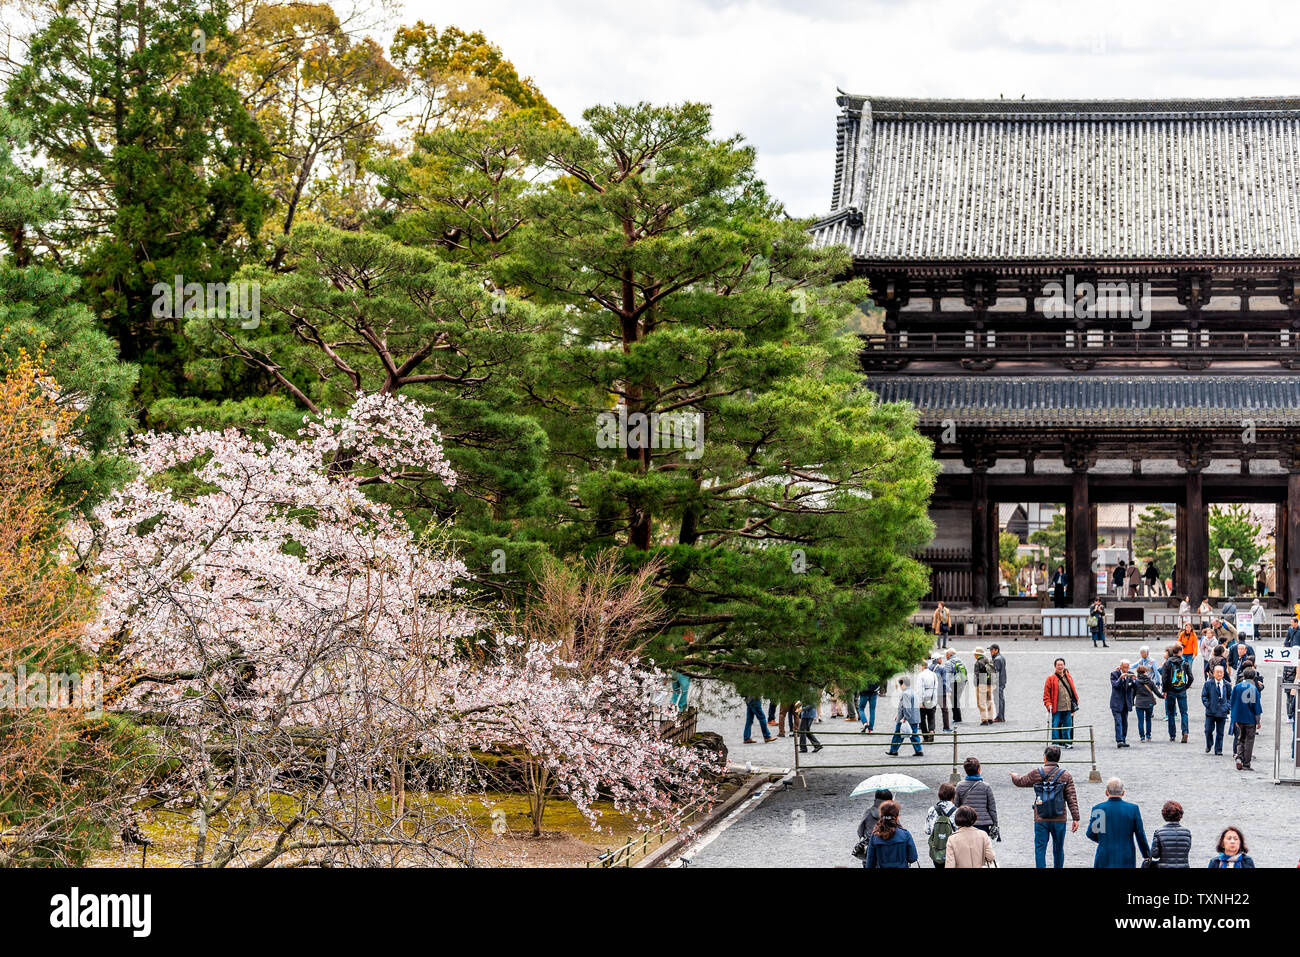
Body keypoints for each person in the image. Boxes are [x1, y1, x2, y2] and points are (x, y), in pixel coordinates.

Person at [1010, 743, 1080, 869]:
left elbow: (1021, 782)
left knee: (1040, 848)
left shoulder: (1037, 773)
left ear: (1045, 758)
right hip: (1059, 817)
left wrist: (1014, 776)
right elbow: (1071, 797)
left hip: (1041, 817)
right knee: (1058, 848)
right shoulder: (1066, 775)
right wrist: (1075, 818)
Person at [1086, 777, 1151, 868]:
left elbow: (1091, 834)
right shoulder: (1132, 809)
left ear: (1106, 792)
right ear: (1123, 792)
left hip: (1105, 853)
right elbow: (1140, 835)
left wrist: (1104, 839)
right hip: (1126, 854)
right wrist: (1146, 855)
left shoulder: (1099, 809)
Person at [863, 800, 918, 869]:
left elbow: (870, 864)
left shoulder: (874, 837)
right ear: (897, 817)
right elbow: (913, 858)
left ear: (881, 816)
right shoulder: (905, 835)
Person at [955, 756, 999, 838]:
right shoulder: (986, 787)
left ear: (965, 770)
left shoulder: (960, 786)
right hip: (983, 824)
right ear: (979, 770)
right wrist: (995, 824)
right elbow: (992, 808)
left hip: (965, 823)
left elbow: (956, 806)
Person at [1230, 668, 1262, 771]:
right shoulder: (1253, 688)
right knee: (1249, 741)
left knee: (1240, 739)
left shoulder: (1237, 687)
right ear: (1253, 677)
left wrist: (1233, 718)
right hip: (1250, 718)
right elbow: (1256, 706)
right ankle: (1246, 763)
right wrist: (1258, 720)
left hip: (1239, 718)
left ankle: (1239, 757)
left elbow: (1232, 703)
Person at [1043, 658, 1079, 748]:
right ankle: (1055, 743)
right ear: (1055, 666)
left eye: (1061, 665)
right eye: (1058, 665)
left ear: (1064, 666)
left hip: (1068, 707)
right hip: (1056, 707)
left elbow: (1073, 691)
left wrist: (1076, 702)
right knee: (1055, 725)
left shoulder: (1068, 677)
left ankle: (1066, 742)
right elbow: (1046, 694)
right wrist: (1048, 704)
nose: (1060, 667)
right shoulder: (1050, 678)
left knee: (1068, 725)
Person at [1161, 643, 1193, 743]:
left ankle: (1172, 735)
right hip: (1181, 690)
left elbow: (1164, 678)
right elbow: (1191, 677)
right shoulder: (1185, 662)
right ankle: (1185, 731)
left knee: (1170, 713)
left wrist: (1164, 690)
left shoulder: (1167, 663)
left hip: (1171, 690)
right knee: (1184, 712)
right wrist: (1185, 687)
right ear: (1180, 652)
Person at [886, 676, 924, 757]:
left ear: (903, 684)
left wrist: (904, 718)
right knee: (913, 735)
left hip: (907, 719)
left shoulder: (906, 693)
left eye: (900, 685)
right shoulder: (913, 691)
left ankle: (893, 750)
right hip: (914, 718)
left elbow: (907, 707)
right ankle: (919, 750)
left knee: (898, 734)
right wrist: (898, 715)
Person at [923, 782, 958, 869]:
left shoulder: (932, 810)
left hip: (937, 849)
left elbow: (927, 830)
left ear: (939, 795)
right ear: (953, 796)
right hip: (952, 849)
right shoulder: (957, 811)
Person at [1148, 801, 1192, 869]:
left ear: (1164, 814)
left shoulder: (1158, 832)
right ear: (1180, 814)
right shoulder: (1187, 833)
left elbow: (1155, 854)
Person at [1202, 664, 1231, 756]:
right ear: (1213, 673)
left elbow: (1230, 697)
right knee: (1208, 730)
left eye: (1221, 672)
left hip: (1222, 711)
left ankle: (1218, 749)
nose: (1219, 674)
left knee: (1220, 732)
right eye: (1217, 672)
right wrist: (1208, 705)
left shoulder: (1226, 685)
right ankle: (1209, 743)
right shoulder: (1208, 684)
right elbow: (1204, 696)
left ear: (1223, 674)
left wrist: (1227, 706)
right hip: (1211, 711)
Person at [1109, 659, 1138, 747]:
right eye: (1124, 667)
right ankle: (1119, 740)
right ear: (1120, 666)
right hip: (1116, 703)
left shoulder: (1130, 674)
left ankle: (1123, 739)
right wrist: (1120, 678)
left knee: (1125, 722)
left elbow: (1136, 687)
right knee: (1118, 721)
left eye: (1127, 667)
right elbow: (1115, 685)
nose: (1125, 669)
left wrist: (1134, 681)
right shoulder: (1114, 674)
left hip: (1126, 703)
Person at [1133, 664, 1163, 742]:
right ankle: (1148, 735)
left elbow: (1133, 694)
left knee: (1140, 721)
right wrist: (1163, 696)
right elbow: (1157, 693)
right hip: (1149, 703)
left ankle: (1142, 737)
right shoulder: (1150, 682)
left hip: (1139, 703)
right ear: (1145, 672)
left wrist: (1132, 702)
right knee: (1148, 720)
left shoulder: (1136, 682)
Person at [916, 660, 939, 744]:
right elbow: (936, 687)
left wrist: (920, 701)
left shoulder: (920, 675)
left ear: (922, 666)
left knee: (922, 719)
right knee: (931, 717)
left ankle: (925, 737)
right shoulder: (933, 674)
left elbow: (920, 690)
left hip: (924, 698)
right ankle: (932, 730)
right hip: (932, 698)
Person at [973, 647, 997, 725]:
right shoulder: (989, 660)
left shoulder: (978, 663)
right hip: (990, 684)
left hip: (982, 685)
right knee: (989, 701)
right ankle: (990, 718)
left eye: (975, 653)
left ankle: (984, 719)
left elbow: (977, 675)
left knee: (981, 702)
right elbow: (994, 672)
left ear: (977, 654)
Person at [945, 649, 966, 723]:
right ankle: (957, 717)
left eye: (946, 654)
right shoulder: (960, 660)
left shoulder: (948, 663)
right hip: (961, 682)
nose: (945, 655)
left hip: (953, 683)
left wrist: (947, 688)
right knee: (956, 699)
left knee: (954, 700)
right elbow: (965, 670)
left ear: (949, 654)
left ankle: (957, 718)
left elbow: (947, 676)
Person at [990, 644, 1007, 722]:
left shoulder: (996, 659)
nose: (990, 652)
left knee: (998, 700)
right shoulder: (1002, 657)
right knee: (1001, 699)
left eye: (992, 650)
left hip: (998, 682)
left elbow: (995, 673)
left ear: (996, 650)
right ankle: (1001, 716)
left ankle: (999, 717)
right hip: (1002, 681)